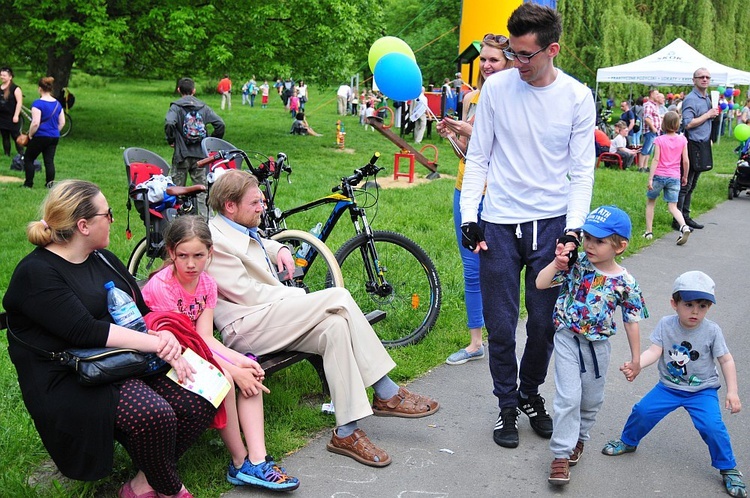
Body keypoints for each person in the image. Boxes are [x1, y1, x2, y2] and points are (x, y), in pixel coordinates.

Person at [205, 169, 439, 468]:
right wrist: (303, 298)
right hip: (247, 327)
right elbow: (248, 294)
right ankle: (386, 392)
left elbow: (260, 242)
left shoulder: (237, 225)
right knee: (337, 298)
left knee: (335, 326)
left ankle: (346, 431)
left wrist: (282, 249)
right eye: (255, 203)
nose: (261, 208)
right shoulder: (215, 241)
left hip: (272, 318)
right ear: (229, 206)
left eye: (261, 202)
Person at [3, 180, 215, 498]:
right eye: (108, 213)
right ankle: (173, 490)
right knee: (154, 414)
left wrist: (164, 335)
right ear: (84, 225)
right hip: (71, 375)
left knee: (203, 392)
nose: (113, 220)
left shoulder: (101, 258)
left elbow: (141, 310)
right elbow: (86, 331)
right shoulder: (37, 273)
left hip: (121, 360)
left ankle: (143, 483)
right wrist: (157, 344)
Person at [459, 3, 596, 450]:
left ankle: (529, 393)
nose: (515, 63)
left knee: (542, 324)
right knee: (500, 325)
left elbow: (582, 171)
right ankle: (505, 407)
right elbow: (478, 156)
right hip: (498, 223)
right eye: (512, 53)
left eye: (524, 55)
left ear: (551, 49)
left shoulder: (576, 96)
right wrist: (469, 218)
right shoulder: (497, 89)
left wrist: (574, 229)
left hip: (552, 224)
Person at [141, 216, 300, 491]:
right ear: (171, 253)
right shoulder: (162, 287)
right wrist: (233, 370)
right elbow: (183, 345)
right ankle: (239, 463)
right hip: (165, 358)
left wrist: (241, 362)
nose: (191, 264)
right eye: (183, 256)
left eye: (199, 256)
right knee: (225, 378)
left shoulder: (206, 285)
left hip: (193, 350)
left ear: (210, 253)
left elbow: (203, 337)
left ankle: (258, 459)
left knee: (249, 369)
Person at [603, 271, 746, 498]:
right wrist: (638, 364)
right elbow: (655, 350)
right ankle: (628, 441)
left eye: (703, 306)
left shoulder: (712, 331)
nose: (695, 311)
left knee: (712, 426)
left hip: (702, 391)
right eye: (688, 304)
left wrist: (733, 391)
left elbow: (726, 360)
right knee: (643, 411)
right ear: (674, 303)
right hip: (669, 387)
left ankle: (728, 467)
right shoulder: (666, 325)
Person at [536, 205, 647, 485]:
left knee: (591, 401)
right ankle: (560, 455)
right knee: (568, 398)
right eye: (587, 238)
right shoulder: (577, 264)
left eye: (599, 241)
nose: (589, 245)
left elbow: (631, 321)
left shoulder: (626, 282)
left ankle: (579, 439)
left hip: (598, 349)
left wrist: (636, 359)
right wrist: (557, 264)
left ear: (620, 246)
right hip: (567, 339)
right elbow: (540, 284)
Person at [436, 33, 513, 366]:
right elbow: (468, 154)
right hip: (465, 190)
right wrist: (454, 135)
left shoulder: (515, 100)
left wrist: (468, 131)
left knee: (499, 268)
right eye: (483, 60)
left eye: (493, 60)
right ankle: (475, 342)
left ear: (509, 62)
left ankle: (503, 337)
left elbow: (506, 149)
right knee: (471, 268)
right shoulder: (472, 100)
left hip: (498, 193)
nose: (486, 66)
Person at [165, 77, 225, 216]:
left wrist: (171, 139)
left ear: (179, 90)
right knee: (203, 192)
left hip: (182, 155)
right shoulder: (203, 107)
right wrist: (210, 142)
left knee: (177, 191)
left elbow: (169, 123)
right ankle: (206, 224)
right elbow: (220, 124)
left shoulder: (176, 107)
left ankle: (177, 223)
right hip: (201, 157)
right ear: (194, 90)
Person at [676, 68, 720, 231]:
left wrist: (712, 117)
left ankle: (685, 216)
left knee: (693, 183)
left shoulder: (707, 98)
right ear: (694, 80)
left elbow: (706, 120)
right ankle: (678, 218)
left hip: (703, 143)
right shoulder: (691, 99)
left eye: (707, 77)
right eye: (701, 77)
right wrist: (708, 115)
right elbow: (688, 123)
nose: (704, 79)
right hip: (692, 143)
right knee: (686, 182)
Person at [644, 111, 692, 244]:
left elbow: (655, 159)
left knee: (651, 202)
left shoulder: (659, 140)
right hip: (674, 176)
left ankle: (648, 232)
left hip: (659, 175)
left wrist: (650, 178)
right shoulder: (682, 139)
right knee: (673, 207)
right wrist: (685, 176)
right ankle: (684, 226)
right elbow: (686, 161)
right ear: (678, 124)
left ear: (664, 123)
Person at [22, 76, 65, 189]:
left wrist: (30, 134)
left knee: (29, 159)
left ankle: (28, 184)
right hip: (54, 136)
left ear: (40, 89)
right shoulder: (57, 104)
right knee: (49, 161)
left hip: (40, 136)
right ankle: (50, 185)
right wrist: (55, 132)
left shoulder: (38, 104)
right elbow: (62, 122)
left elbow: (35, 123)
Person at [0, 66, 24, 157]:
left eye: (4, 75)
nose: (2, 77)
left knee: (15, 136)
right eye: (1, 75)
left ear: (10, 77)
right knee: (5, 136)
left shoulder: (15, 88)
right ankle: (7, 154)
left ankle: (21, 154)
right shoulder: (0, 88)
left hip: (12, 116)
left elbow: (19, 102)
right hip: (2, 117)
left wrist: (16, 115)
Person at [638, 89, 662, 173]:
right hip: (650, 130)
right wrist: (653, 127)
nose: (658, 96)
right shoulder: (648, 105)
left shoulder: (654, 105)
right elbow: (647, 119)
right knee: (645, 149)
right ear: (651, 94)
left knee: (649, 150)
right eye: (656, 94)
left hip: (655, 131)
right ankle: (640, 167)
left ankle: (645, 166)